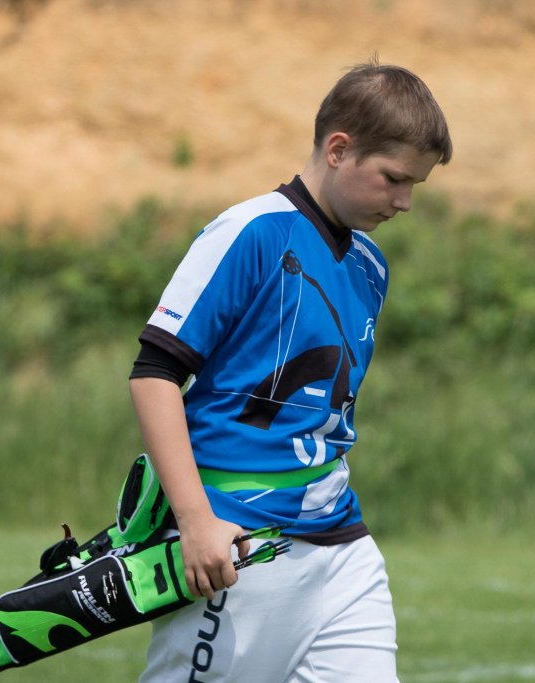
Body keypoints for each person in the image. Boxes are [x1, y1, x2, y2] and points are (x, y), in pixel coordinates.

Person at [128, 59, 452, 682]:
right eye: (393, 179)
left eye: (415, 185)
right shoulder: (248, 232)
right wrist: (195, 521)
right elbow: (154, 373)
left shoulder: (371, 266)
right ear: (339, 149)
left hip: (341, 546)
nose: (405, 202)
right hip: (238, 541)